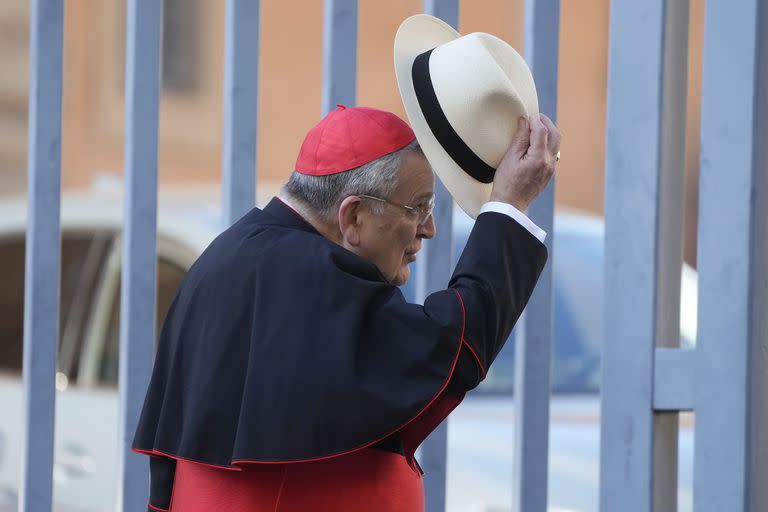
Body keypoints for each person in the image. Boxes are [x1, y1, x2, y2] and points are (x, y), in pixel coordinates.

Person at [134, 16, 560, 511]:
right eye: (417, 207)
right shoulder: (313, 274)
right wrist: (508, 209)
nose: (429, 228)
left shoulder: (222, 259)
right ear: (353, 215)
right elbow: (454, 349)